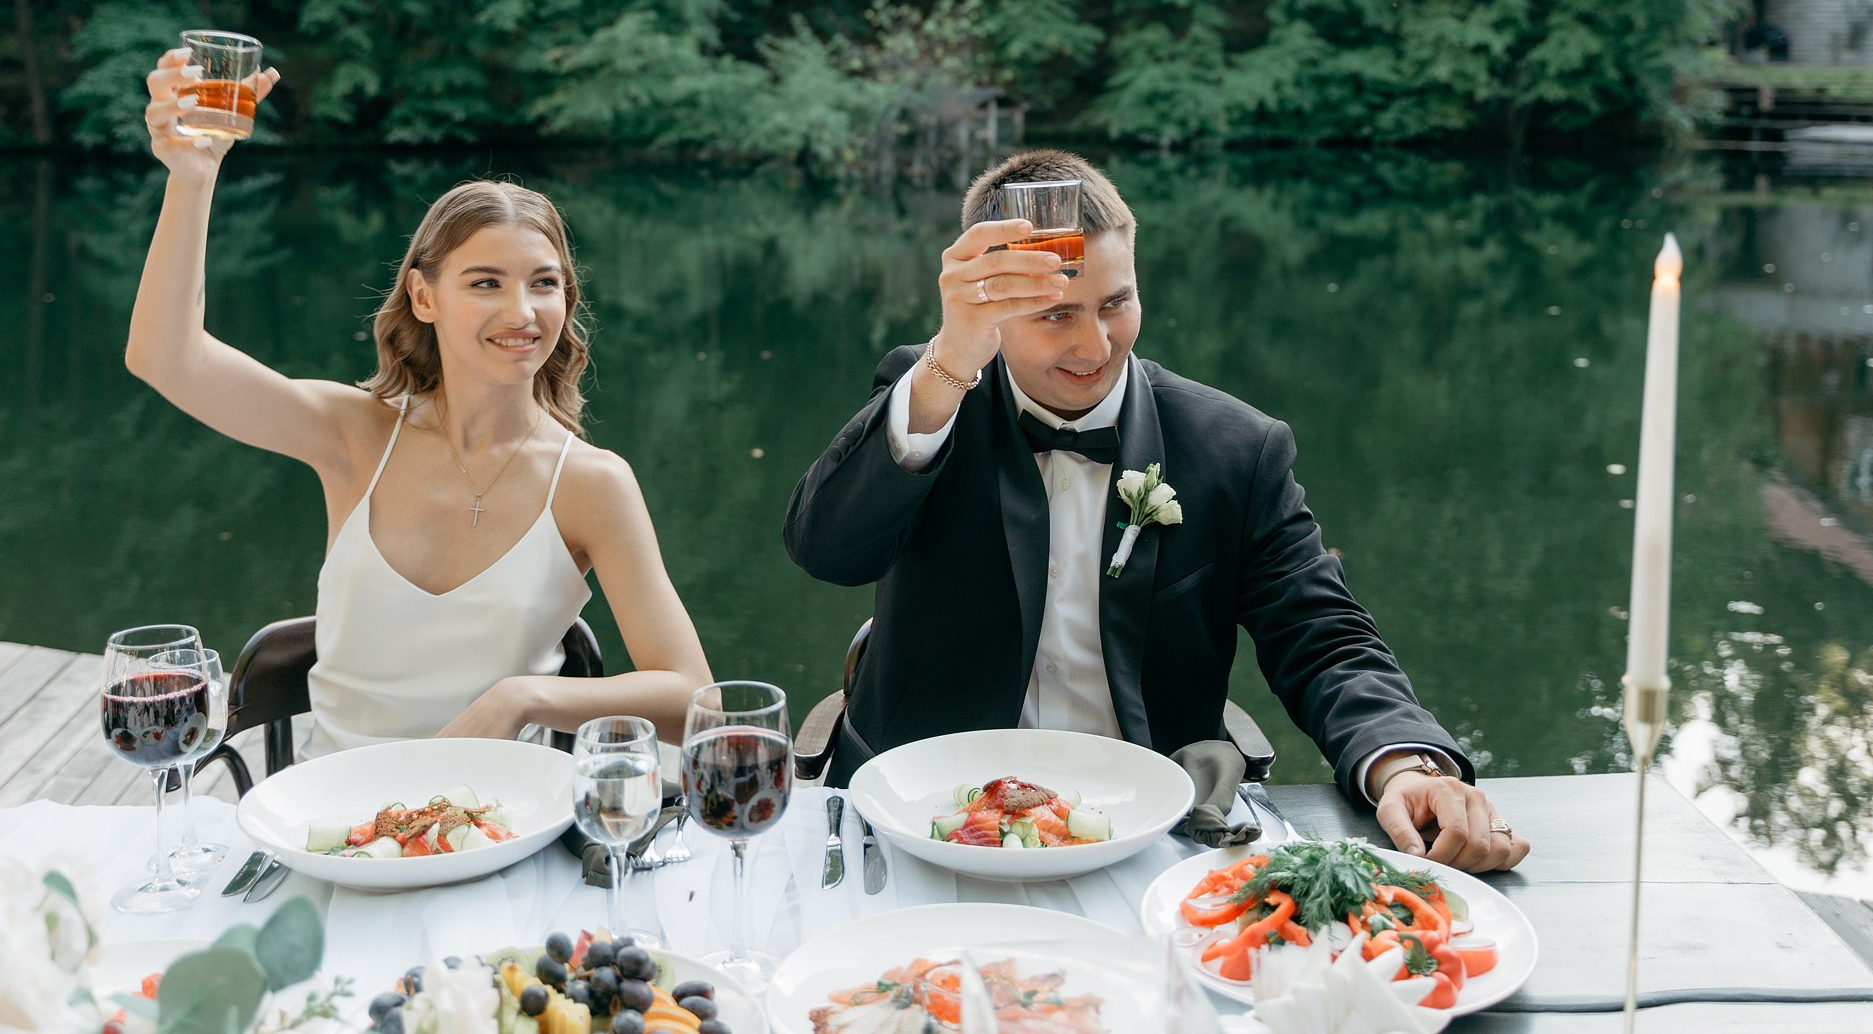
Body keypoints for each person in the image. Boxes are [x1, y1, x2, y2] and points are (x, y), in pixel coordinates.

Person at [784, 150, 1530, 872]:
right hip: (923, 826)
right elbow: (826, 550)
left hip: (1152, 836)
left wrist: (1403, 763)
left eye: (1116, 303)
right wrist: (949, 362)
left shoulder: (1236, 449)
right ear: (993, 310)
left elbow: (1321, 634)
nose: (1094, 343)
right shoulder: (931, 401)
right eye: (1055, 314)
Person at [128, 50, 712, 754]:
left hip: (500, 822)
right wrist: (192, 179)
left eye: (544, 283)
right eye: (486, 283)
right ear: (424, 296)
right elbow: (167, 358)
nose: (522, 311)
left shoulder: (591, 484)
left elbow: (690, 695)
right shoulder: (353, 434)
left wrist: (521, 697)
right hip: (336, 820)